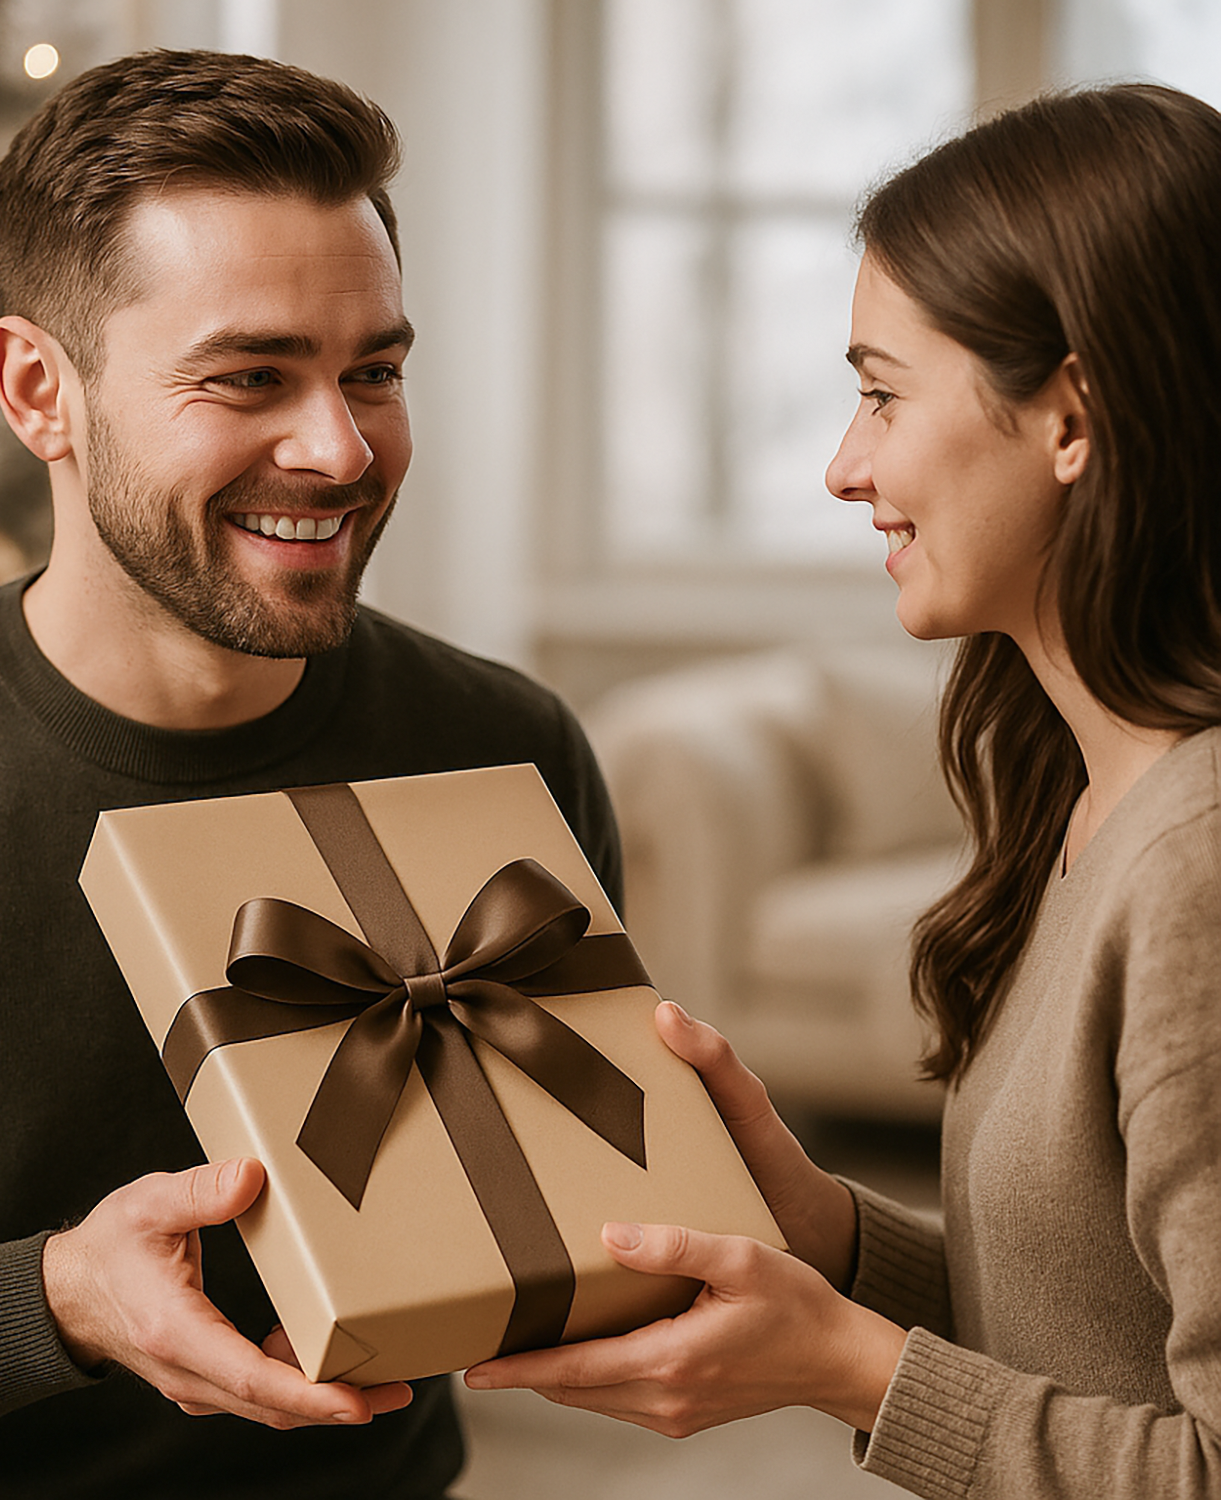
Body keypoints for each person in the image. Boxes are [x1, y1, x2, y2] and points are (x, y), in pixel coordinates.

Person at [0, 50, 623, 1500]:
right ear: (40, 391)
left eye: (375, 372)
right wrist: (60, 1299)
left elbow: (565, 1209)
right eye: (250, 377)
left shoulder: (508, 747)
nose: (339, 447)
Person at [465, 82, 1221, 1497]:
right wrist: (826, 1236)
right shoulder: (1084, 798)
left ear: (1072, 416)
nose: (842, 466)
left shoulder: (1198, 870)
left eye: (882, 393)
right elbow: (1092, 1332)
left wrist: (849, 1368)